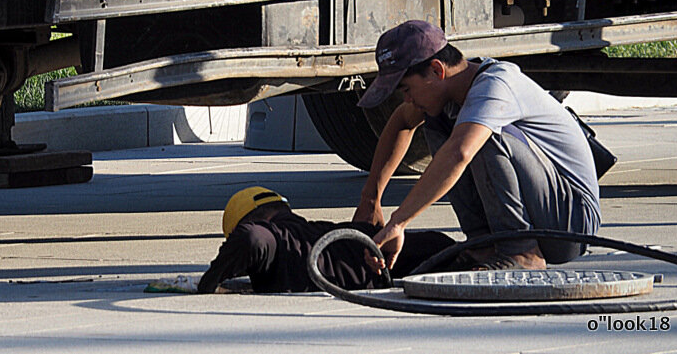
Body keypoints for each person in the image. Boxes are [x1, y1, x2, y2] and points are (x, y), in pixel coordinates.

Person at [353, 20, 601, 275]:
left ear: (437, 70)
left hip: (572, 224)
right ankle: (483, 246)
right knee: (440, 122)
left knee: (479, 135)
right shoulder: (452, 90)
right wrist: (371, 198)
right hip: (543, 215)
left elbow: (460, 152)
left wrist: (399, 222)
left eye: (406, 89)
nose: (407, 99)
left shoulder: (496, 85)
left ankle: (521, 251)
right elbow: (402, 121)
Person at [198, 186, 456, 294]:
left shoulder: (273, 237)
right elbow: (435, 243)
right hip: (443, 258)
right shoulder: (337, 230)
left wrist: (209, 282)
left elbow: (252, 238)